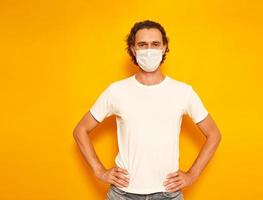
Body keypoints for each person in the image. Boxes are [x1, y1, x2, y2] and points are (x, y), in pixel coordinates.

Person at [73, 20, 222, 200]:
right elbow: (80, 130)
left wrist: (192, 174)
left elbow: (214, 133)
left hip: (168, 194)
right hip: (123, 194)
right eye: (142, 45)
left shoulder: (183, 92)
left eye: (155, 44)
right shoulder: (116, 91)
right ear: (134, 49)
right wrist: (99, 171)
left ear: (164, 47)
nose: (149, 50)